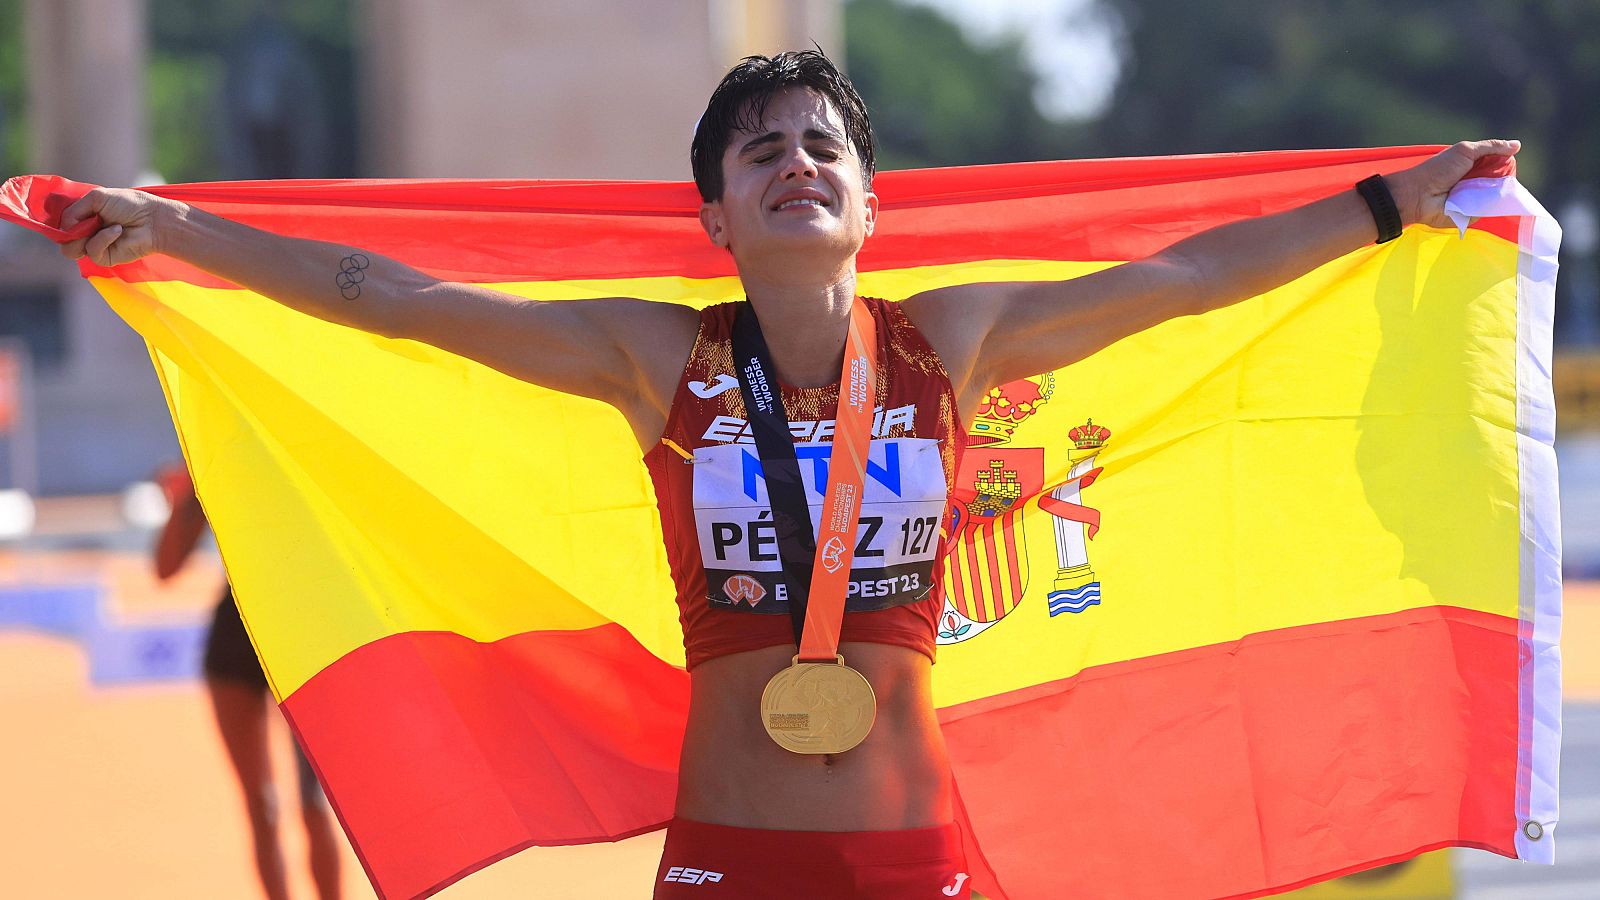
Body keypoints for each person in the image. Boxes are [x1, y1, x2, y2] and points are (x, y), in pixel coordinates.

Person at [73, 51, 1514, 900]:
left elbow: (1193, 276)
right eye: (760, 150)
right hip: (725, 864)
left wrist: (1397, 202)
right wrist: (181, 228)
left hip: (912, 860)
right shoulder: (662, 364)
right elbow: (392, 297)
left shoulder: (957, 337)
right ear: (714, 215)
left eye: (825, 144)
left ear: (872, 205)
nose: (796, 160)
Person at [153, 464, 343, 900]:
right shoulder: (214, 452)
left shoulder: (306, 445)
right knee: (262, 808)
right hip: (237, 643)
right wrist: (190, 489)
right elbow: (165, 569)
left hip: (304, 642)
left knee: (314, 803)